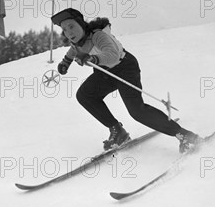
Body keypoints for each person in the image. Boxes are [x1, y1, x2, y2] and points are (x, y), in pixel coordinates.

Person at [52, 8, 200, 153]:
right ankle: (118, 131)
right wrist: (65, 62)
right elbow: (73, 50)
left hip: (124, 68)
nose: (69, 32)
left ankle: (184, 135)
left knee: (137, 111)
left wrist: (92, 58)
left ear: (81, 24)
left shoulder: (98, 36)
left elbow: (113, 55)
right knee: (85, 95)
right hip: (105, 72)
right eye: (65, 29)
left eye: (71, 26)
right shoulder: (77, 42)